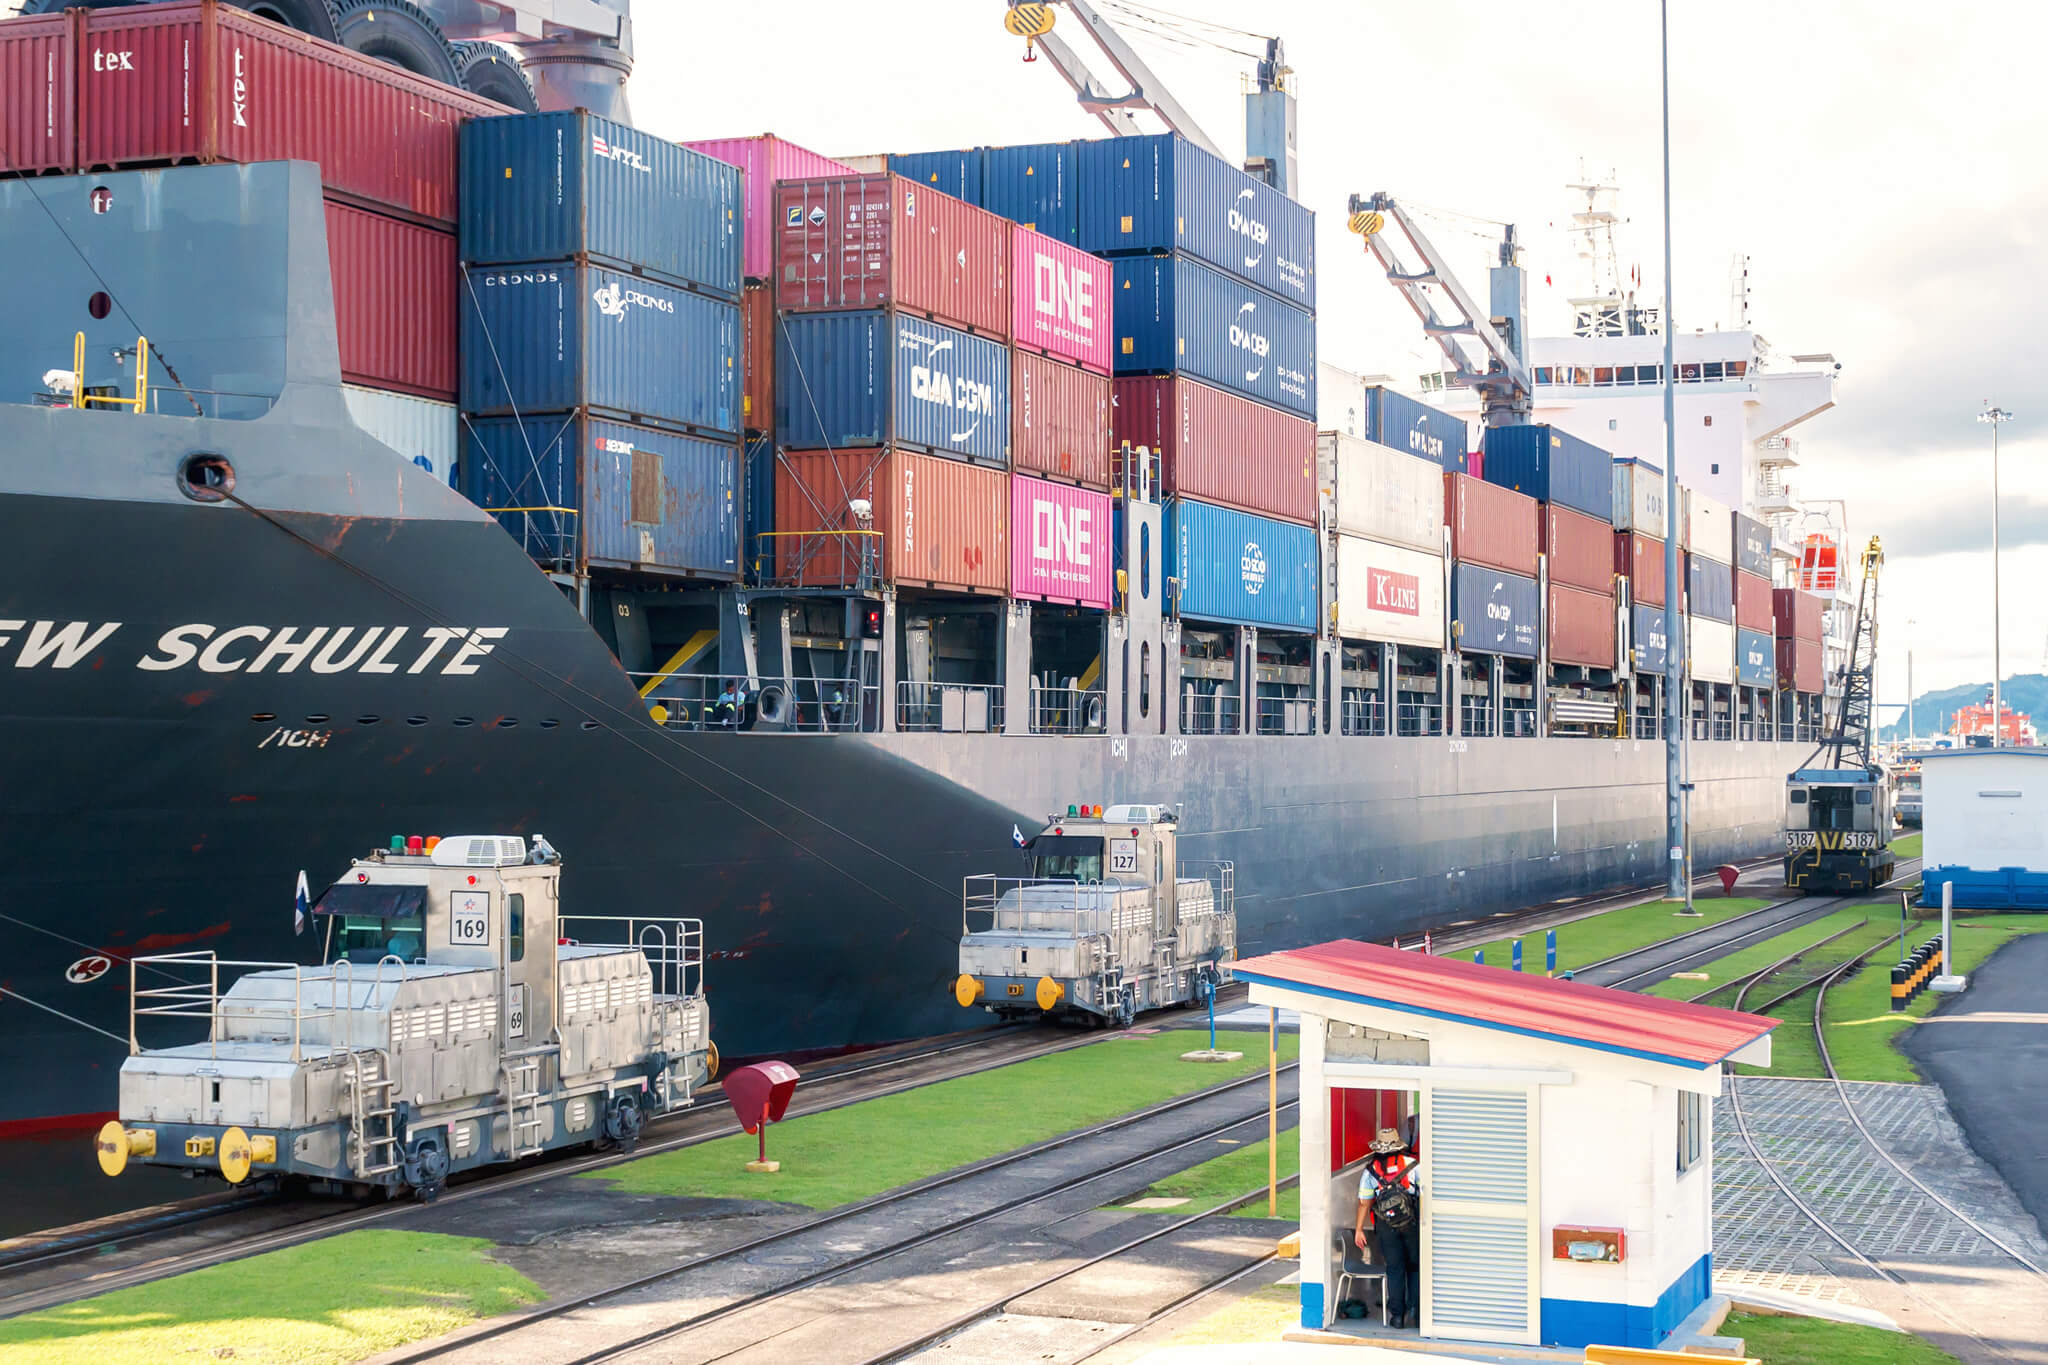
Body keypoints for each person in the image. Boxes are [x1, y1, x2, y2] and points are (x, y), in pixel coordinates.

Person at [1353, 1126, 1421, 1328]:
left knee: (1394, 1269)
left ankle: (1397, 1317)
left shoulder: (1370, 1170)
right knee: (1415, 1267)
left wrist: (1358, 1230)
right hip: (1411, 1224)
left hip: (1385, 1226)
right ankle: (1417, 1314)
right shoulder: (1412, 1165)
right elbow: (1425, 1195)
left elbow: (1364, 1202)